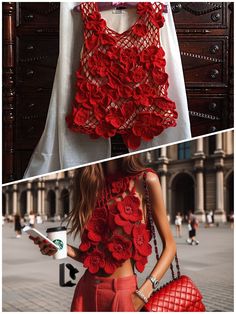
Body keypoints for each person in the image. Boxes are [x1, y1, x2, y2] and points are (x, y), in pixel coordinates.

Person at [29, 155, 176, 312]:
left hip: (123, 296)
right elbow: (94, 258)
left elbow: (170, 246)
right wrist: (63, 248)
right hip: (85, 293)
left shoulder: (146, 180)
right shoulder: (89, 185)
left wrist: (145, 291)